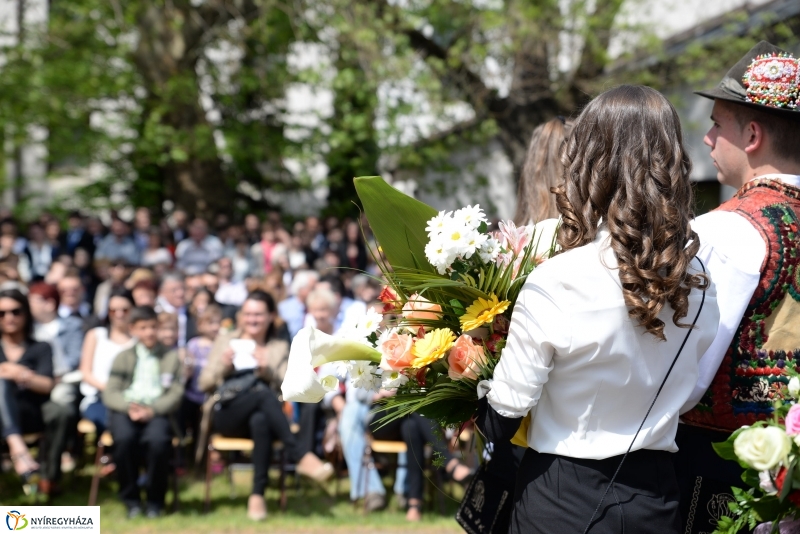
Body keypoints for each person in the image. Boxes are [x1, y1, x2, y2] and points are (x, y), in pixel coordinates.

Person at [476, 85, 720, 534]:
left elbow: (507, 407)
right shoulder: (698, 277)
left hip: (561, 495)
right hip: (657, 497)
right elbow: (689, 393)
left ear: (590, 161)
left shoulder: (559, 277)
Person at [674, 41, 800, 532]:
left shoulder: (725, 230)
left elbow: (685, 373)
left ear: (751, 134)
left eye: (717, 124)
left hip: (721, 471)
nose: (706, 139)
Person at [198, 290, 333, 521]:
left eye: (259, 314)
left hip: (262, 416)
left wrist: (267, 367)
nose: (252, 319)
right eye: (248, 314)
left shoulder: (279, 346)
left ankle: (257, 495)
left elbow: (289, 384)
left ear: (271, 316)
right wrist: (223, 366)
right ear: (241, 316)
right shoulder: (225, 340)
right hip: (227, 412)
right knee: (261, 395)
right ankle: (300, 455)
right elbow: (204, 383)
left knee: (260, 418)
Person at [103, 305, 184, 519]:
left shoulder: (171, 357)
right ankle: (131, 500)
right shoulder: (123, 357)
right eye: (143, 328)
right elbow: (110, 392)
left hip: (156, 410)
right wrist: (129, 407)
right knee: (124, 439)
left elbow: (176, 393)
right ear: (133, 330)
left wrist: (152, 410)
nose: (149, 332)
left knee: (158, 442)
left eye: (152, 327)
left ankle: (155, 501)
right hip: (128, 408)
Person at [28, 282, 85, 495]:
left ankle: (50, 474)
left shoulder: (71, 325)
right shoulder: (27, 328)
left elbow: (72, 360)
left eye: (32, 301)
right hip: (31, 388)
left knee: (62, 412)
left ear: (49, 304)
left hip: (61, 383)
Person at [0, 288, 54, 491]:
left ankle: (21, 454)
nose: (9, 318)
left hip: (30, 412)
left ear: (26, 313)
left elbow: (47, 384)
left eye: (16, 311)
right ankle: (19, 451)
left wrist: (17, 373)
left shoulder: (40, 347)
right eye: (2, 313)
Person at [79, 288, 135, 436]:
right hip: (98, 399)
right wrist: (110, 390)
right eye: (113, 310)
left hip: (131, 399)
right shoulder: (96, 335)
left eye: (125, 310)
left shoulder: (138, 341)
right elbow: (85, 372)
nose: (119, 314)